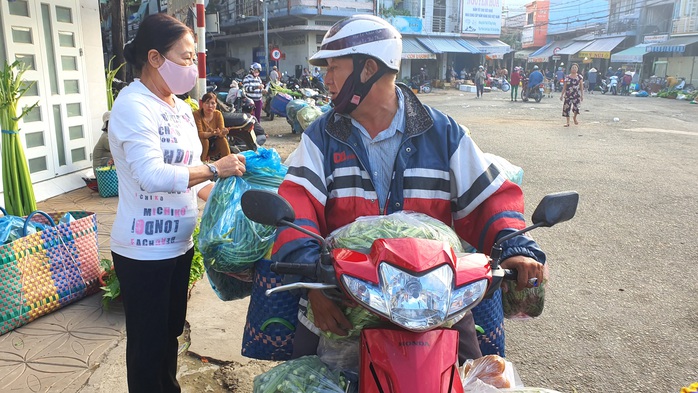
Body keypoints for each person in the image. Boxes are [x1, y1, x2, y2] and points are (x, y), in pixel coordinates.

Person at [271, 14, 546, 365]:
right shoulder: (320, 138)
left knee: (477, 376)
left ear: (367, 69)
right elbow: (297, 204)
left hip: (434, 302)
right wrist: (313, 283)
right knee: (302, 380)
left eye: (333, 68)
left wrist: (517, 247)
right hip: (343, 297)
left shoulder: (443, 132)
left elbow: (489, 199)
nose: (325, 80)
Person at [108, 13, 246, 393]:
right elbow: (152, 175)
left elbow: (190, 179)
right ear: (155, 58)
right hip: (142, 252)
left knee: (168, 338)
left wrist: (234, 204)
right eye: (185, 58)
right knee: (147, 348)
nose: (191, 67)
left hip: (179, 247)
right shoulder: (133, 105)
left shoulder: (182, 109)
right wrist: (216, 169)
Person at [194, 92, 231, 161]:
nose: (210, 106)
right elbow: (199, 134)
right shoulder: (197, 114)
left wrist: (223, 132)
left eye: (213, 103)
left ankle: (227, 162)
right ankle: (202, 162)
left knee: (223, 140)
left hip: (213, 144)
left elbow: (220, 133)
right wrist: (211, 133)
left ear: (216, 105)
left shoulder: (218, 114)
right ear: (202, 104)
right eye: (207, 103)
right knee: (205, 141)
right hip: (200, 143)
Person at [560, 63, 584, 127]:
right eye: (573, 67)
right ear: (570, 69)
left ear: (578, 69)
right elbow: (564, 87)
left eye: (575, 68)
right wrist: (562, 95)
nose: (574, 69)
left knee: (577, 108)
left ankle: (574, 117)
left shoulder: (579, 77)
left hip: (576, 95)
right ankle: (567, 122)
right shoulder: (567, 77)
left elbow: (581, 87)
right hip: (568, 95)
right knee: (567, 108)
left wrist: (582, 95)